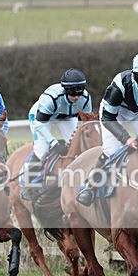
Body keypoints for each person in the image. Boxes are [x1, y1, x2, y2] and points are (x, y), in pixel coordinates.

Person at [76, 50, 138, 206]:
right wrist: (126, 138)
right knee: (111, 150)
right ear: (135, 75)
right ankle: (89, 187)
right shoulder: (119, 85)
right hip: (114, 114)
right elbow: (107, 118)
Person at [20, 68, 92, 201]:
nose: (76, 97)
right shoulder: (51, 98)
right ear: (65, 90)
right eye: (72, 93)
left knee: (79, 146)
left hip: (66, 117)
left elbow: (86, 124)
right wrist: (54, 143)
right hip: (41, 118)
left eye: (79, 93)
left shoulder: (86, 98)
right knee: (42, 150)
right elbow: (39, 124)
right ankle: (26, 183)